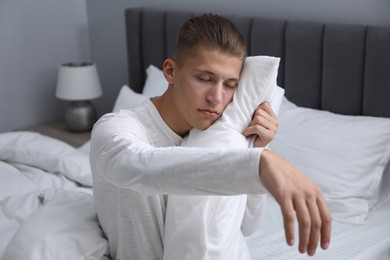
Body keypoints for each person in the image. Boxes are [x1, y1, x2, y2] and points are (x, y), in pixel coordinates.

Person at [90, 13, 331, 260]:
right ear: (171, 72)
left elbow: (246, 226)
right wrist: (259, 165)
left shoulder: (221, 135)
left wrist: (256, 149)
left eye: (229, 85)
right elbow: (136, 166)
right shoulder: (115, 129)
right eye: (205, 79)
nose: (216, 98)